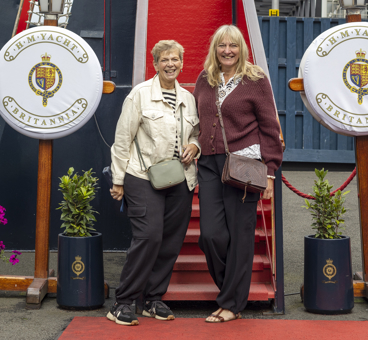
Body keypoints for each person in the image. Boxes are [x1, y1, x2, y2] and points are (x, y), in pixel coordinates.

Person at [193, 25, 283, 323]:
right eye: (222, 46)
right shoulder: (204, 79)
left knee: (241, 235)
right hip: (209, 164)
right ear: (215, 49)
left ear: (241, 48)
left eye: (233, 45)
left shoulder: (255, 79)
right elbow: (197, 120)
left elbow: (270, 126)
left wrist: (270, 172)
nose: (227, 51)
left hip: (244, 165)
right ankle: (229, 291)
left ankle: (231, 304)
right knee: (211, 235)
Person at [108, 40, 200, 326]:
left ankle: (152, 299)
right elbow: (123, 139)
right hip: (142, 175)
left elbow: (195, 133)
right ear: (155, 64)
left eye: (175, 59)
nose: (170, 64)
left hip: (180, 177)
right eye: (164, 60)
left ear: (182, 63)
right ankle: (123, 302)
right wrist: (118, 180)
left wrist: (194, 147)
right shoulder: (140, 95)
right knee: (149, 236)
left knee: (171, 241)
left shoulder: (188, 97)